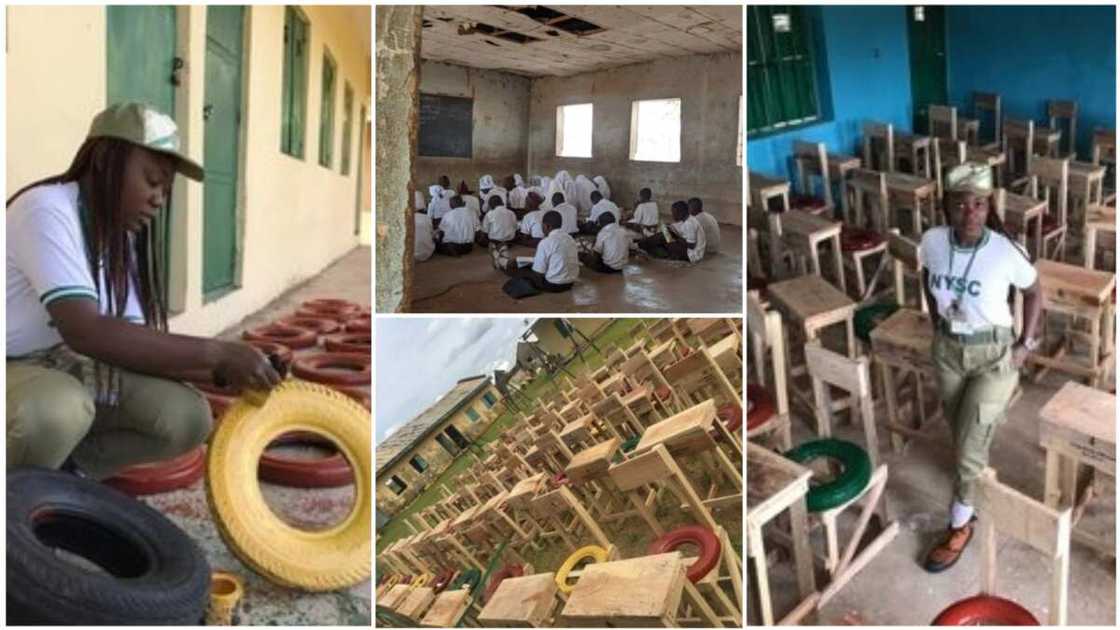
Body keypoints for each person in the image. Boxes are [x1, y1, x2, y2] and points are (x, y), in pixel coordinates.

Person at [6, 102, 281, 480]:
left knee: (184, 415)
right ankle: (19, 507)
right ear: (103, 159)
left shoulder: (118, 239)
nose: (159, 199)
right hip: (14, 367)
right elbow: (85, 331)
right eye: (152, 180)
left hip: (55, 363)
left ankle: (67, 478)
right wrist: (217, 352)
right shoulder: (46, 209)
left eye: (166, 190)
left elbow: (132, 345)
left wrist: (233, 370)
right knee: (57, 410)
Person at [920, 163, 1042, 573]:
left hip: (994, 355)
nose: (969, 212)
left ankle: (959, 522)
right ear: (947, 206)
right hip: (949, 350)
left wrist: (1026, 344)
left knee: (970, 445)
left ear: (989, 206)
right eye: (960, 204)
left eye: (978, 204)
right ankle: (970, 474)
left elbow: (1033, 291)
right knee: (959, 429)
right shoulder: (933, 241)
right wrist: (937, 321)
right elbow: (926, 274)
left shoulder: (1007, 251)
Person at [504, 211, 578, 292]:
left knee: (518, 269)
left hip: (553, 285)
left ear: (547, 226)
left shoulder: (546, 242)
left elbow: (538, 272)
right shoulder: (570, 239)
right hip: (570, 283)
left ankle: (502, 263)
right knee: (527, 263)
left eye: (542, 226)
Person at [638, 200, 706, 263]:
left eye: (673, 212)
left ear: (681, 212)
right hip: (691, 251)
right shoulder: (689, 219)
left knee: (663, 237)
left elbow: (691, 246)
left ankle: (640, 245)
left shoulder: (689, 223)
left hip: (692, 255)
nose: (672, 215)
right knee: (664, 236)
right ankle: (643, 244)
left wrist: (674, 238)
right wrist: (673, 235)